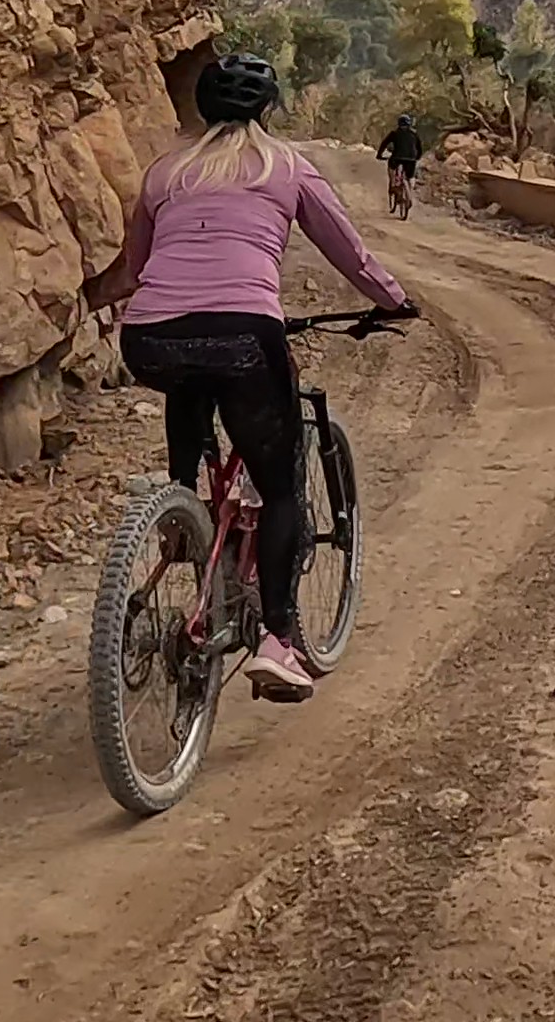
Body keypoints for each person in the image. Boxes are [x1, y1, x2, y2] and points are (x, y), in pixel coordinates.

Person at [97, 53, 417, 701]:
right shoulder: (285, 166)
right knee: (280, 487)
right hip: (246, 334)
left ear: (203, 111)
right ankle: (278, 638)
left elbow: (133, 270)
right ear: (268, 110)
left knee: (190, 378)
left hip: (150, 336)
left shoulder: (166, 172)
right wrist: (392, 300)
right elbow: (348, 250)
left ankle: (183, 506)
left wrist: (83, 297)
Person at [377, 114, 426, 216]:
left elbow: (384, 144)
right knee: (410, 176)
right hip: (411, 159)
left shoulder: (394, 133)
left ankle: (393, 184)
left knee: (391, 167)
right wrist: (417, 157)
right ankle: (409, 192)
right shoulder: (414, 134)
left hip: (397, 157)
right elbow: (420, 147)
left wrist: (379, 155)